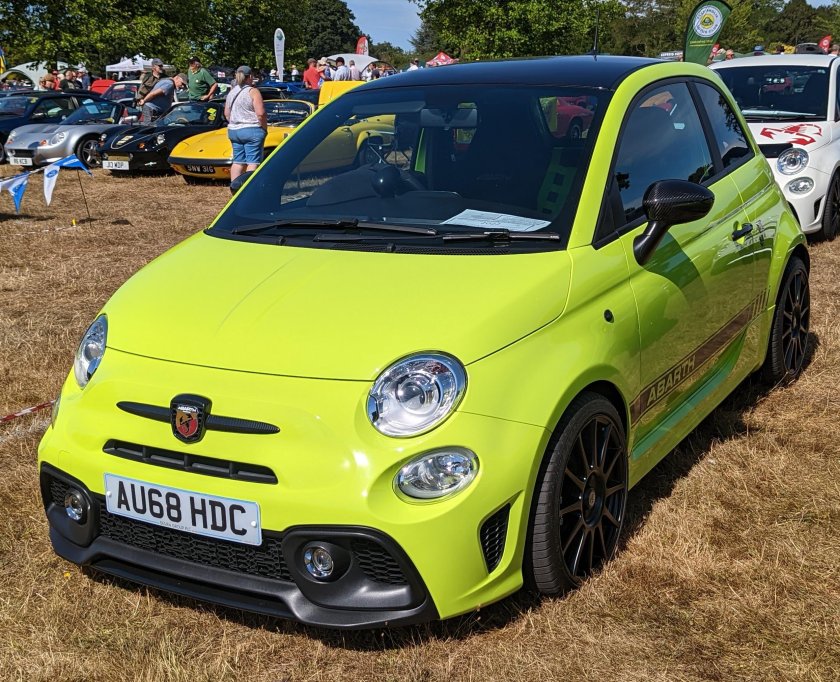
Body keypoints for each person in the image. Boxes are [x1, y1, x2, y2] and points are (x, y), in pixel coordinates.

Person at [225, 65, 267, 185]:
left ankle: (235, 188)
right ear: (250, 77)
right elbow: (261, 113)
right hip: (251, 129)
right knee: (253, 162)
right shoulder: (253, 91)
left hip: (234, 130)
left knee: (238, 162)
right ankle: (249, 189)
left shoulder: (232, 92)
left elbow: (227, 114)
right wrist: (263, 128)